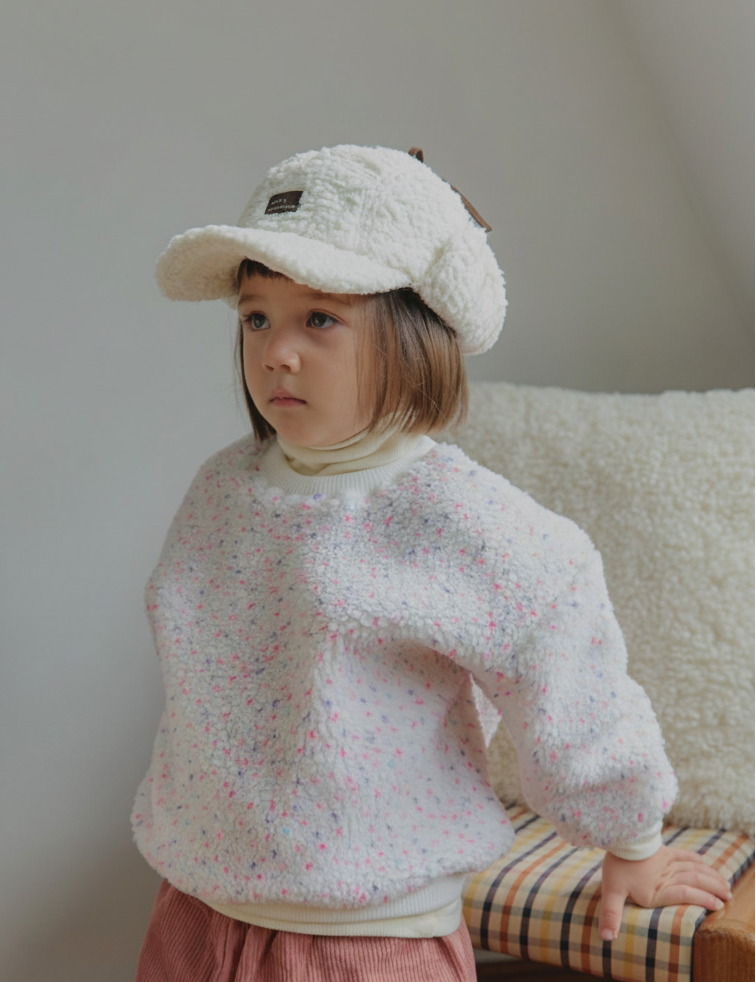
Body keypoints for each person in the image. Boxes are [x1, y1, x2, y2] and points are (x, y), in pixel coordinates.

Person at [133, 145, 730, 982]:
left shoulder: (461, 521)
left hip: (368, 940)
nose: (276, 352)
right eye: (256, 318)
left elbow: (569, 682)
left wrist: (631, 840)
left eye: (321, 319)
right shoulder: (224, 489)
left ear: (414, 338)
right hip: (194, 910)